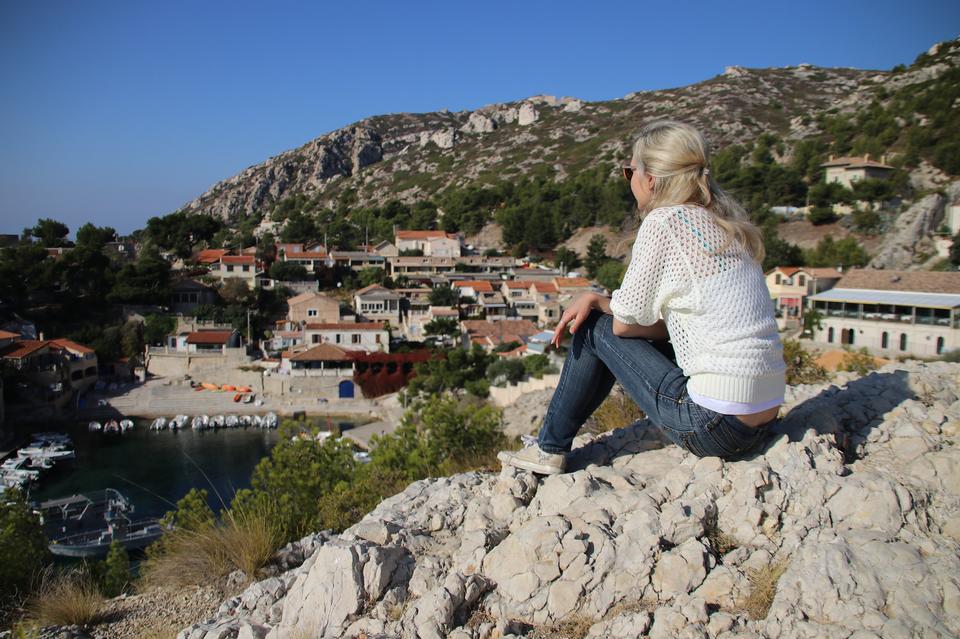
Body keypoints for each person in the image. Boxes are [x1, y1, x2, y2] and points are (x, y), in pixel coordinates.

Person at [498, 120, 786, 475]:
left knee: (592, 330)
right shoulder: (725, 225)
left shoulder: (665, 222)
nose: (629, 180)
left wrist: (597, 303)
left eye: (629, 170)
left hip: (714, 427)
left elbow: (622, 325)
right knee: (604, 319)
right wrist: (602, 299)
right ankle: (548, 447)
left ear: (649, 179)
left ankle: (548, 449)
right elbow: (672, 327)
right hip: (763, 416)